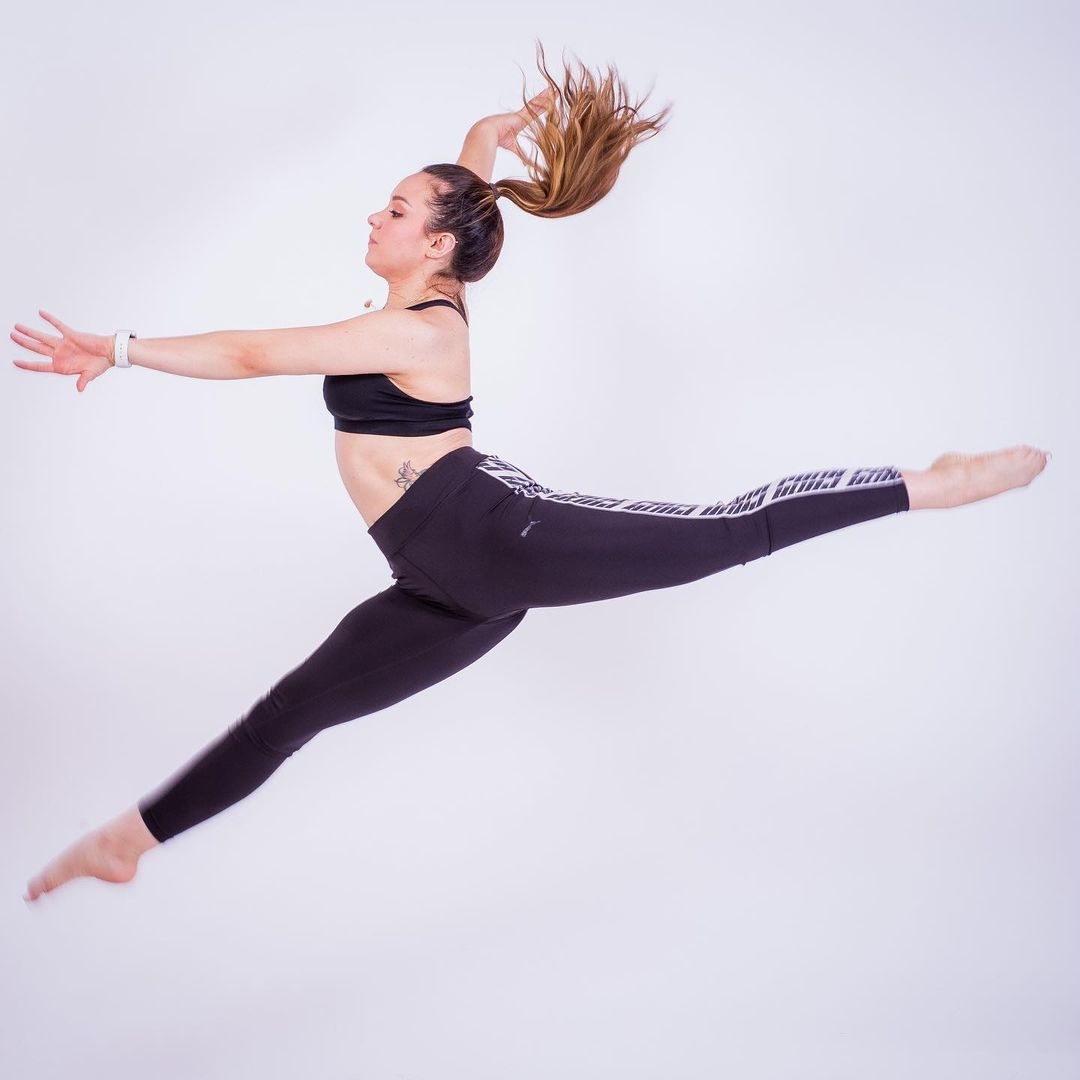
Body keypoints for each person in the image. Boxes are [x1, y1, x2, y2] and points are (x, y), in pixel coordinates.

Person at [14, 44, 1050, 903]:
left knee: (721, 531)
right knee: (292, 712)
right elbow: (466, 176)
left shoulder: (418, 331)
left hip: (492, 535)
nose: (374, 216)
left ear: (436, 246)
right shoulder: (424, 288)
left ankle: (931, 482)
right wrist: (495, 130)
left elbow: (250, 354)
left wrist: (118, 349)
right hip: (442, 586)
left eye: (394, 208)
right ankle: (130, 840)